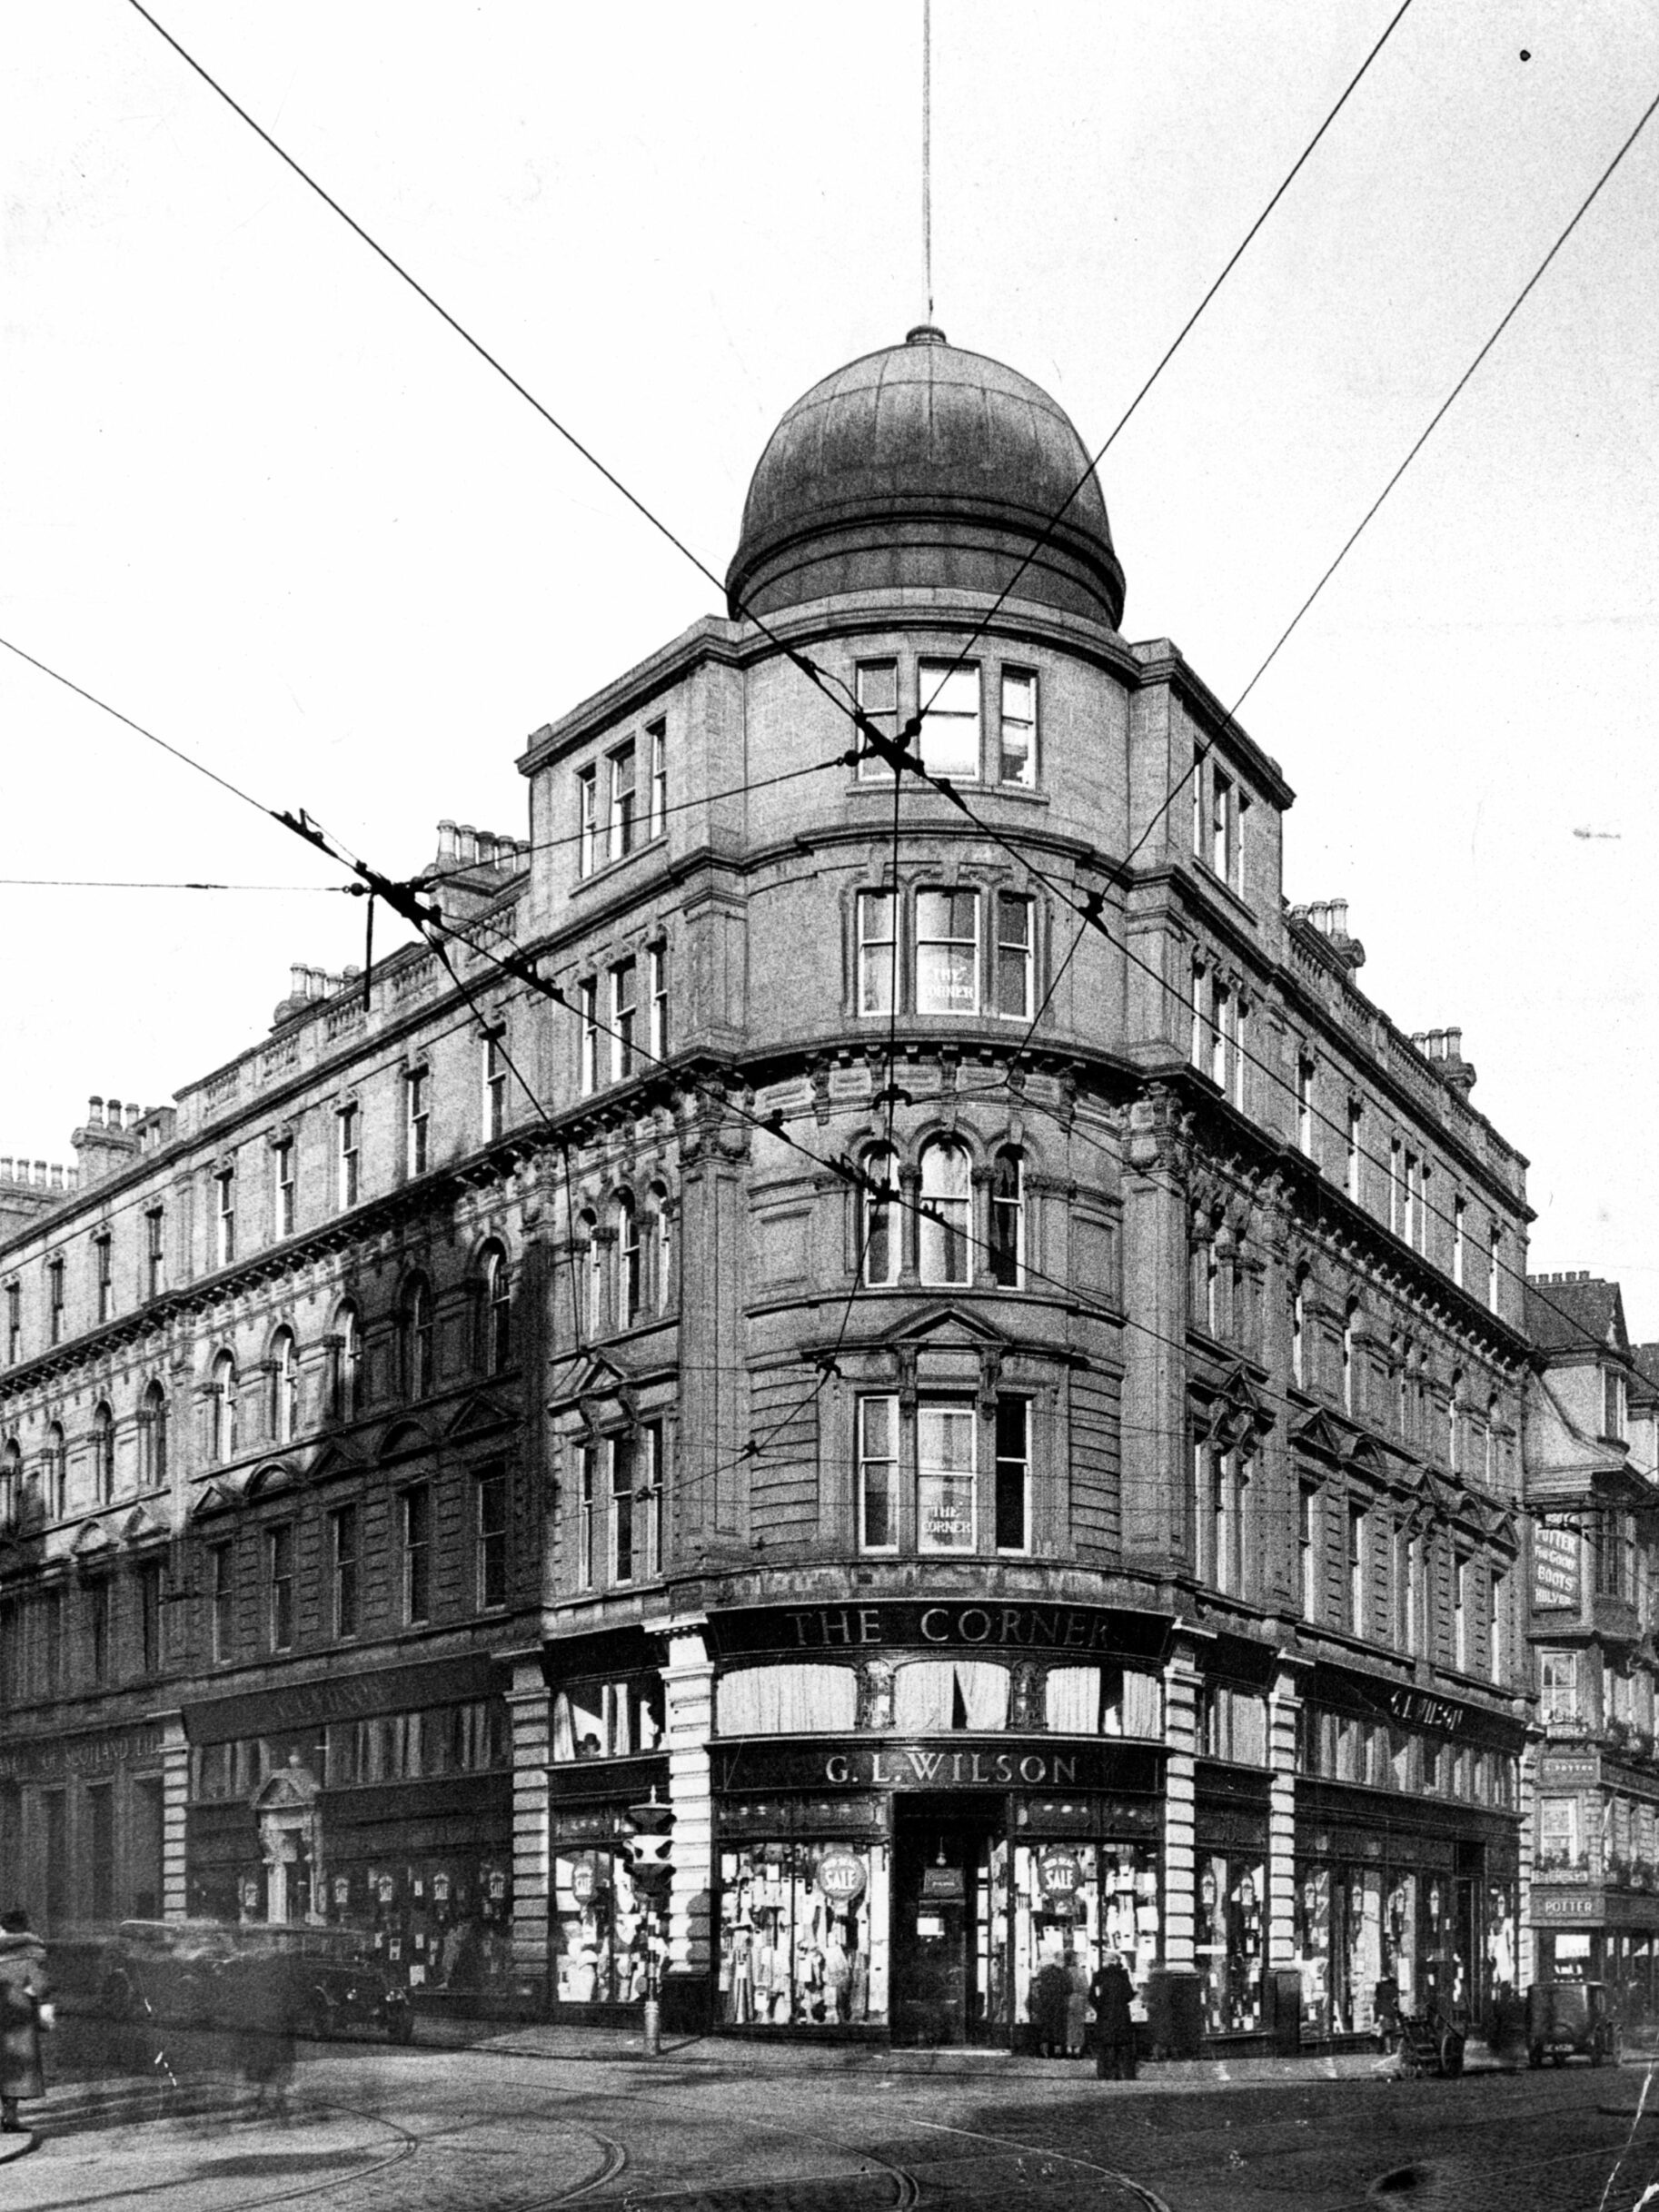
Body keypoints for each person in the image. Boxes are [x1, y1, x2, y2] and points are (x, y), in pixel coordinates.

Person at [0, 1908, 53, 2137]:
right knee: (16, 2072)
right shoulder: (32, 1954)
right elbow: (40, 1987)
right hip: (19, 2020)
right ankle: (10, 2117)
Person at [1089, 1953, 1137, 2081]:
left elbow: (1092, 1996)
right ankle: (1123, 2073)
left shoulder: (1099, 1976)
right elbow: (1129, 1995)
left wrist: (1099, 2007)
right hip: (1121, 2014)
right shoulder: (1123, 1975)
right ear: (1116, 1962)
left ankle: (1105, 2072)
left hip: (1105, 2014)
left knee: (1105, 2045)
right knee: (1122, 2045)